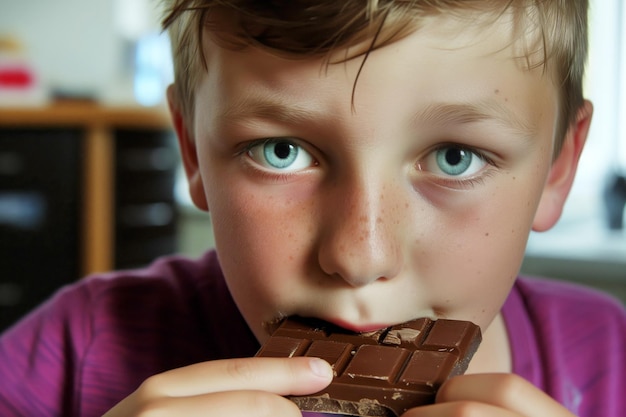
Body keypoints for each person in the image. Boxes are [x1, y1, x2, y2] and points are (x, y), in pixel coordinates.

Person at [1, 1, 624, 416]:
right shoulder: (75, 350)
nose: (360, 257)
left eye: (455, 157)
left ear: (557, 166)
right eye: (281, 151)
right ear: (192, 149)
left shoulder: (611, 362)